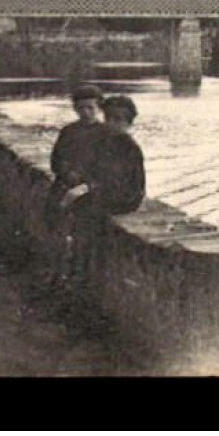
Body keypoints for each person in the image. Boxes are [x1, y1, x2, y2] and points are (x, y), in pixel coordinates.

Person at [63, 96, 147, 286]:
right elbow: (93, 169)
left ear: (128, 123)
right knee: (79, 207)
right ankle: (79, 265)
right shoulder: (105, 142)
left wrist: (87, 188)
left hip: (126, 196)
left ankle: (84, 271)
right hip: (106, 191)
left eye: (118, 120)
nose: (112, 124)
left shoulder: (129, 147)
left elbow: (119, 181)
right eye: (109, 119)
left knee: (88, 212)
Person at [45, 84, 108, 287]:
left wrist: (86, 182)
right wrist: (67, 173)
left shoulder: (106, 134)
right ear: (75, 109)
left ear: (99, 108)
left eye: (90, 108)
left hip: (89, 191)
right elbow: (56, 160)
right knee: (58, 231)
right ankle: (58, 273)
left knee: (84, 235)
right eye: (81, 108)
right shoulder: (69, 131)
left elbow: (107, 167)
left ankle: (79, 276)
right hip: (65, 186)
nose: (86, 112)